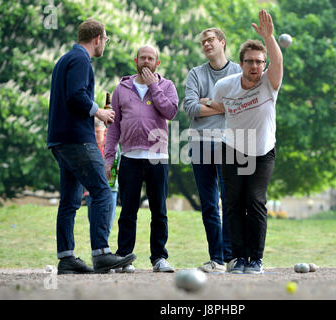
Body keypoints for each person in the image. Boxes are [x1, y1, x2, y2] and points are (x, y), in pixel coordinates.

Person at [47, 18, 136, 274]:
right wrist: (99, 112)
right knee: (102, 191)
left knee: (70, 200)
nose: (105, 44)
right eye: (106, 39)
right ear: (97, 38)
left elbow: (71, 96)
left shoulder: (65, 59)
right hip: (77, 139)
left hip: (60, 140)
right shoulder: (81, 60)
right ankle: (102, 254)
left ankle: (66, 258)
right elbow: (76, 95)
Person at [210, 10, 283, 274]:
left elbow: (278, 60)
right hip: (232, 150)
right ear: (241, 63)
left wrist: (269, 38)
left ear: (265, 64)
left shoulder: (270, 84)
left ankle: (256, 259)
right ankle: (238, 258)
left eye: (260, 62)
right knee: (232, 203)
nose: (255, 66)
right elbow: (217, 106)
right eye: (250, 61)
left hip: (263, 150)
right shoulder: (225, 86)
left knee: (255, 200)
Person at [105, 45, 179, 273]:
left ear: (157, 63)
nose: (146, 61)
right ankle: (124, 257)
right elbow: (114, 127)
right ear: (135, 60)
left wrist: (153, 86)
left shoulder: (166, 86)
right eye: (142, 58)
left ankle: (159, 258)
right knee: (128, 211)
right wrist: (109, 158)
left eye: (151, 59)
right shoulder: (121, 89)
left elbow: (171, 112)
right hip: (129, 157)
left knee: (159, 210)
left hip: (158, 156)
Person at [183, 28, 241, 273]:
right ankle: (216, 259)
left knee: (230, 201)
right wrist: (221, 106)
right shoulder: (196, 73)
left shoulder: (238, 71)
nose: (206, 44)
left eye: (211, 40)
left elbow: (239, 105)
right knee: (208, 204)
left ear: (222, 43)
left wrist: (208, 101)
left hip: (230, 141)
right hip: (200, 142)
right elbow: (190, 108)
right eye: (203, 41)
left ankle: (231, 257)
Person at [84, 118, 120, 235]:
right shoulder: (87, 147)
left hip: (110, 188)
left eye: (98, 132)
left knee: (108, 223)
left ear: (104, 131)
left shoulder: (113, 146)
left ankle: (104, 249)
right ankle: (97, 250)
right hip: (91, 190)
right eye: (93, 132)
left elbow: (118, 166)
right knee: (94, 223)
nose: (95, 135)